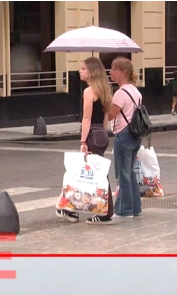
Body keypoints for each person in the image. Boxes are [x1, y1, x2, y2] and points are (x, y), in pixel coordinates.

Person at [58, 57, 113, 224]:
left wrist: (83, 141)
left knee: (86, 172)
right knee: (97, 173)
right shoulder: (104, 89)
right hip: (102, 133)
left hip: (93, 135)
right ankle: (76, 209)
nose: (79, 71)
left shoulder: (89, 91)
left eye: (83, 68)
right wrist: (103, 132)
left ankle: (102, 213)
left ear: (92, 71)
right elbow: (105, 117)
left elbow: (86, 119)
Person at [106, 56, 144, 219]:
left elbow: (111, 115)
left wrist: (104, 104)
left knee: (123, 174)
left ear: (124, 72)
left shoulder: (120, 93)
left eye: (114, 68)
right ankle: (135, 208)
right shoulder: (136, 91)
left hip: (123, 134)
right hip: (135, 135)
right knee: (130, 173)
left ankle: (124, 210)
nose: (110, 72)